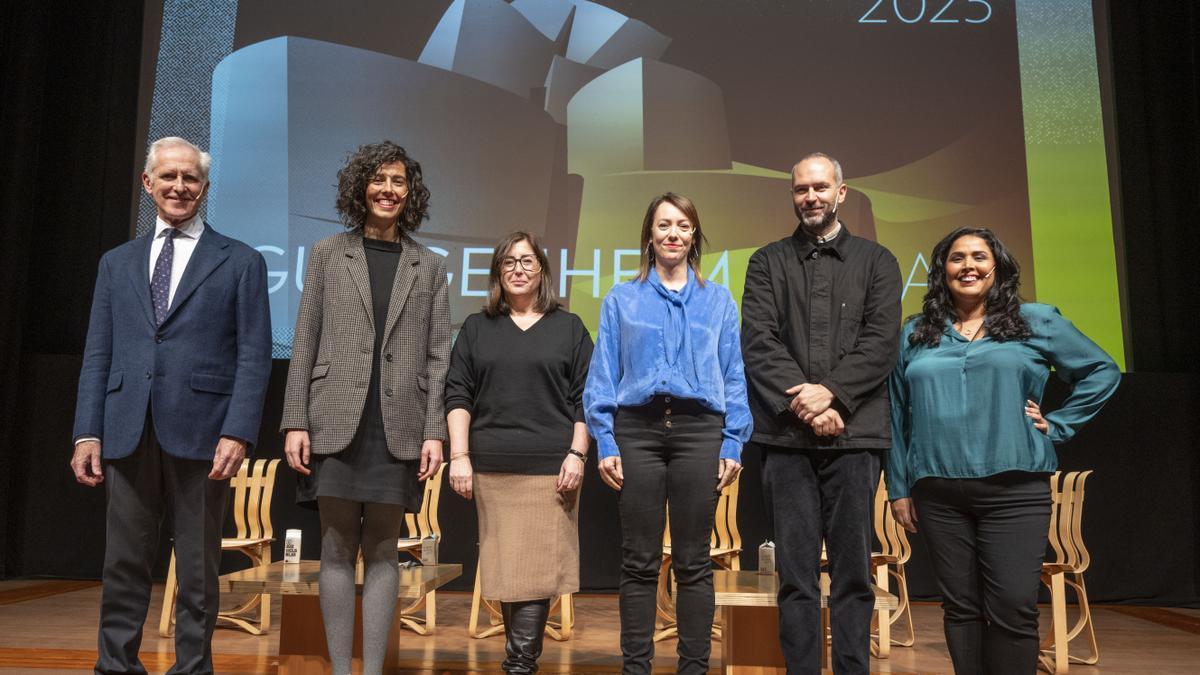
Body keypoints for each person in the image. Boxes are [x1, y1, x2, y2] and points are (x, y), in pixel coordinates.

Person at [70, 136, 272, 674]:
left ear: (205, 188)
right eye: (169, 177)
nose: (179, 187)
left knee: (200, 571)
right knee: (123, 564)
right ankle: (115, 667)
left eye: (190, 179)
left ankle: (191, 669)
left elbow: (254, 357)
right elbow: (98, 352)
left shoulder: (242, 261)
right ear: (148, 184)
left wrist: (239, 432)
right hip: (126, 427)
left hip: (204, 433)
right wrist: (87, 431)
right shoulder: (117, 263)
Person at [887, 227, 1119, 674]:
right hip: (938, 491)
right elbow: (896, 412)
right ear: (942, 270)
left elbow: (1100, 371)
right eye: (957, 258)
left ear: (998, 267)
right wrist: (899, 487)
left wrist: (1059, 424)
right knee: (960, 608)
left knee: (1013, 605)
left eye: (978, 256)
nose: (968, 266)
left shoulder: (1036, 321)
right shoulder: (914, 332)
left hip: (1015, 490)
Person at [279, 141, 450, 675]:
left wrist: (433, 431)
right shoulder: (330, 252)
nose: (388, 190)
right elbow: (304, 341)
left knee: (381, 550)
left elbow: (438, 356)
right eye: (379, 180)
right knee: (333, 549)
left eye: (398, 181)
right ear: (361, 188)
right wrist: (295, 419)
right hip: (333, 419)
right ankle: (338, 669)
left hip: (397, 425)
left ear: (410, 192)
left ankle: (372, 670)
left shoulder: (428, 265)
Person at [740, 152, 901, 674]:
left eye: (820, 187)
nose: (810, 197)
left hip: (856, 440)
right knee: (795, 573)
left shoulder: (878, 261)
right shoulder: (766, 261)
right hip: (786, 440)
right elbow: (759, 343)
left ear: (841, 192)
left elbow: (880, 344)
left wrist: (830, 394)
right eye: (801, 189)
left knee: (854, 573)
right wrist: (806, 406)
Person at [584, 192, 751, 675]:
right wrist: (607, 441)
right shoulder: (622, 298)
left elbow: (734, 374)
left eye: (682, 225)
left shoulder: (717, 299)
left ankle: (693, 669)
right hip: (637, 431)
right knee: (638, 559)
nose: (673, 233)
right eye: (663, 225)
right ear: (649, 235)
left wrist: (733, 439)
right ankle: (636, 668)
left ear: (694, 234)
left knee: (693, 560)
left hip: (700, 432)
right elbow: (602, 376)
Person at [444, 231, 593, 674]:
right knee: (510, 573)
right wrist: (459, 455)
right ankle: (520, 665)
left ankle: (519, 666)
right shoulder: (476, 328)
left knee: (538, 572)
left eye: (527, 261)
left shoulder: (569, 327)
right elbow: (458, 395)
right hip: (492, 468)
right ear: (496, 273)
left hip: (553, 467)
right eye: (508, 262)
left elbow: (588, 398)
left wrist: (577, 454)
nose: (518, 269)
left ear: (543, 270)